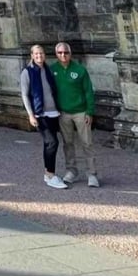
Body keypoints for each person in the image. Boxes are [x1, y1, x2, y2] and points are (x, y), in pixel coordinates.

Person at [51, 41, 100, 187]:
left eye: (66, 52)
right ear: (56, 54)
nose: (63, 55)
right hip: (63, 113)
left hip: (81, 112)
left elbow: (88, 91)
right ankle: (71, 171)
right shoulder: (52, 70)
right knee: (68, 143)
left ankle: (92, 174)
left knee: (87, 143)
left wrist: (90, 111)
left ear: (70, 53)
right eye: (60, 53)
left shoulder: (80, 70)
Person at [19, 44, 67, 189]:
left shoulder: (48, 70)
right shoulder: (27, 72)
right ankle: (50, 175)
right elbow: (24, 94)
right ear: (32, 56)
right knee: (52, 142)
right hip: (40, 113)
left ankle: (48, 174)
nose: (39, 56)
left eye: (41, 53)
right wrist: (30, 115)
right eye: (36, 54)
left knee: (49, 143)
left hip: (53, 112)